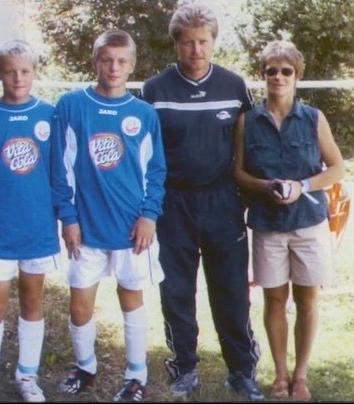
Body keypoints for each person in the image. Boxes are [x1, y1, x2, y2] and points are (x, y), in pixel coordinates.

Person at [141, 2, 263, 401]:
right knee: (176, 290)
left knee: (231, 289)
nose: (196, 50)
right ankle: (184, 368)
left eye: (203, 41)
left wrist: (249, 195)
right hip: (172, 203)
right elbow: (143, 153)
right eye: (188, 42)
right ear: (176, 44)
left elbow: (250, 145)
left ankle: (242, 370)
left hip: (222, 201)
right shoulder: (155, 90)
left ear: (213, 42)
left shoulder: (233, 85)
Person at [50, 29, 166, 402]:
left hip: (133, 229)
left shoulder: (144, 114)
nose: (113, 68)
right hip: (86, 229)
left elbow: (156, 172)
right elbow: (60, 168)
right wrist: (67, 217)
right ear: (95, 61)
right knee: (80, 303)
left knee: (131, 299)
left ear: (132, 65)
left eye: (121, 61)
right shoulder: (71, 105)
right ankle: (85, 367)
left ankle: (136, 376)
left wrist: (149, 215)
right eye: (106, 60)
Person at [233, 39, 345, 401]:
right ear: (262, 75)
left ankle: (300, 376)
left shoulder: (313, 118)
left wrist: (302, 185)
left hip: (309, 221)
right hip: (267, 223)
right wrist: (266, 186)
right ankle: (280, 375)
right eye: (271, 71)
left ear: (297, 76)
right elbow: (238, 173)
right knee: (275, 299)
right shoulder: (247, 121)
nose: (278, 77)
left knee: (308, 298)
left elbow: (337, 167)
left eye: (286, 71)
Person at [0, 39, 60, 403]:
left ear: (34, 73)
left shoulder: (48, 114)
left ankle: (27, 375)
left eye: (24, 71)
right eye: (9, 71)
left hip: (38, 227)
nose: (17, 78)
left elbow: (57, 173)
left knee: (33, 301)